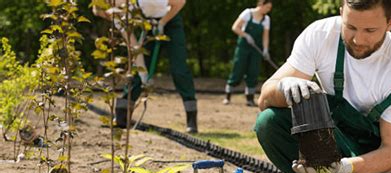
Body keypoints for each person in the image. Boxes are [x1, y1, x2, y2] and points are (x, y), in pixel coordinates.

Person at [254, 0, 391, 173]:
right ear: (341, 12)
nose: (357, 39)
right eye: (351, 27)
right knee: (269, 123)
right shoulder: (320, 35)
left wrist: (343, 167)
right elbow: (264, 99)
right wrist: (283, 87)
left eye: (370, 30)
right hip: (340, 132)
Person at [94, 0, 198, 133]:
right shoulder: (117, 15)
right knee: (138, 69)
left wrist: (162, 22)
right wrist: (144, 77)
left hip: (171, 19)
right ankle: (122, 114)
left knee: (179, 69)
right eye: (106, 14)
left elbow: (180, 2)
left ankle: (191, 118)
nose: (110, 15)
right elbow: (134, 48)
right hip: (149, 23)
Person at [223, 0, 273, 107]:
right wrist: (246, 35)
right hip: (243, 47)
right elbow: (235, 27)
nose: (268, 10)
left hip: (256, 49)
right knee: (238, 69)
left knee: (253, 72)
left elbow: (265, 36)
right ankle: (227, 96)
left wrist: (265, 50)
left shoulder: (266, 19)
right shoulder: (247, 13)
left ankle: (250, 99)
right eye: (267, 7)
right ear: (261, 5)